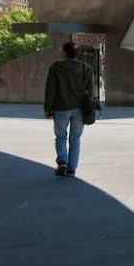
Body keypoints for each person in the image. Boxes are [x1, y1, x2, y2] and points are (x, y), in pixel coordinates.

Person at [43, 41, 96, 178]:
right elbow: (91, 91)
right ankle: (72, 168)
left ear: (64, 53)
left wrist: (48, 109)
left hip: (61, 107)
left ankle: (62, 162)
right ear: (78, 54)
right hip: (80, 109)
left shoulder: (56, 68)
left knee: (60, 136)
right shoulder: (86, 68)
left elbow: (50, 90)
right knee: (75, 139)